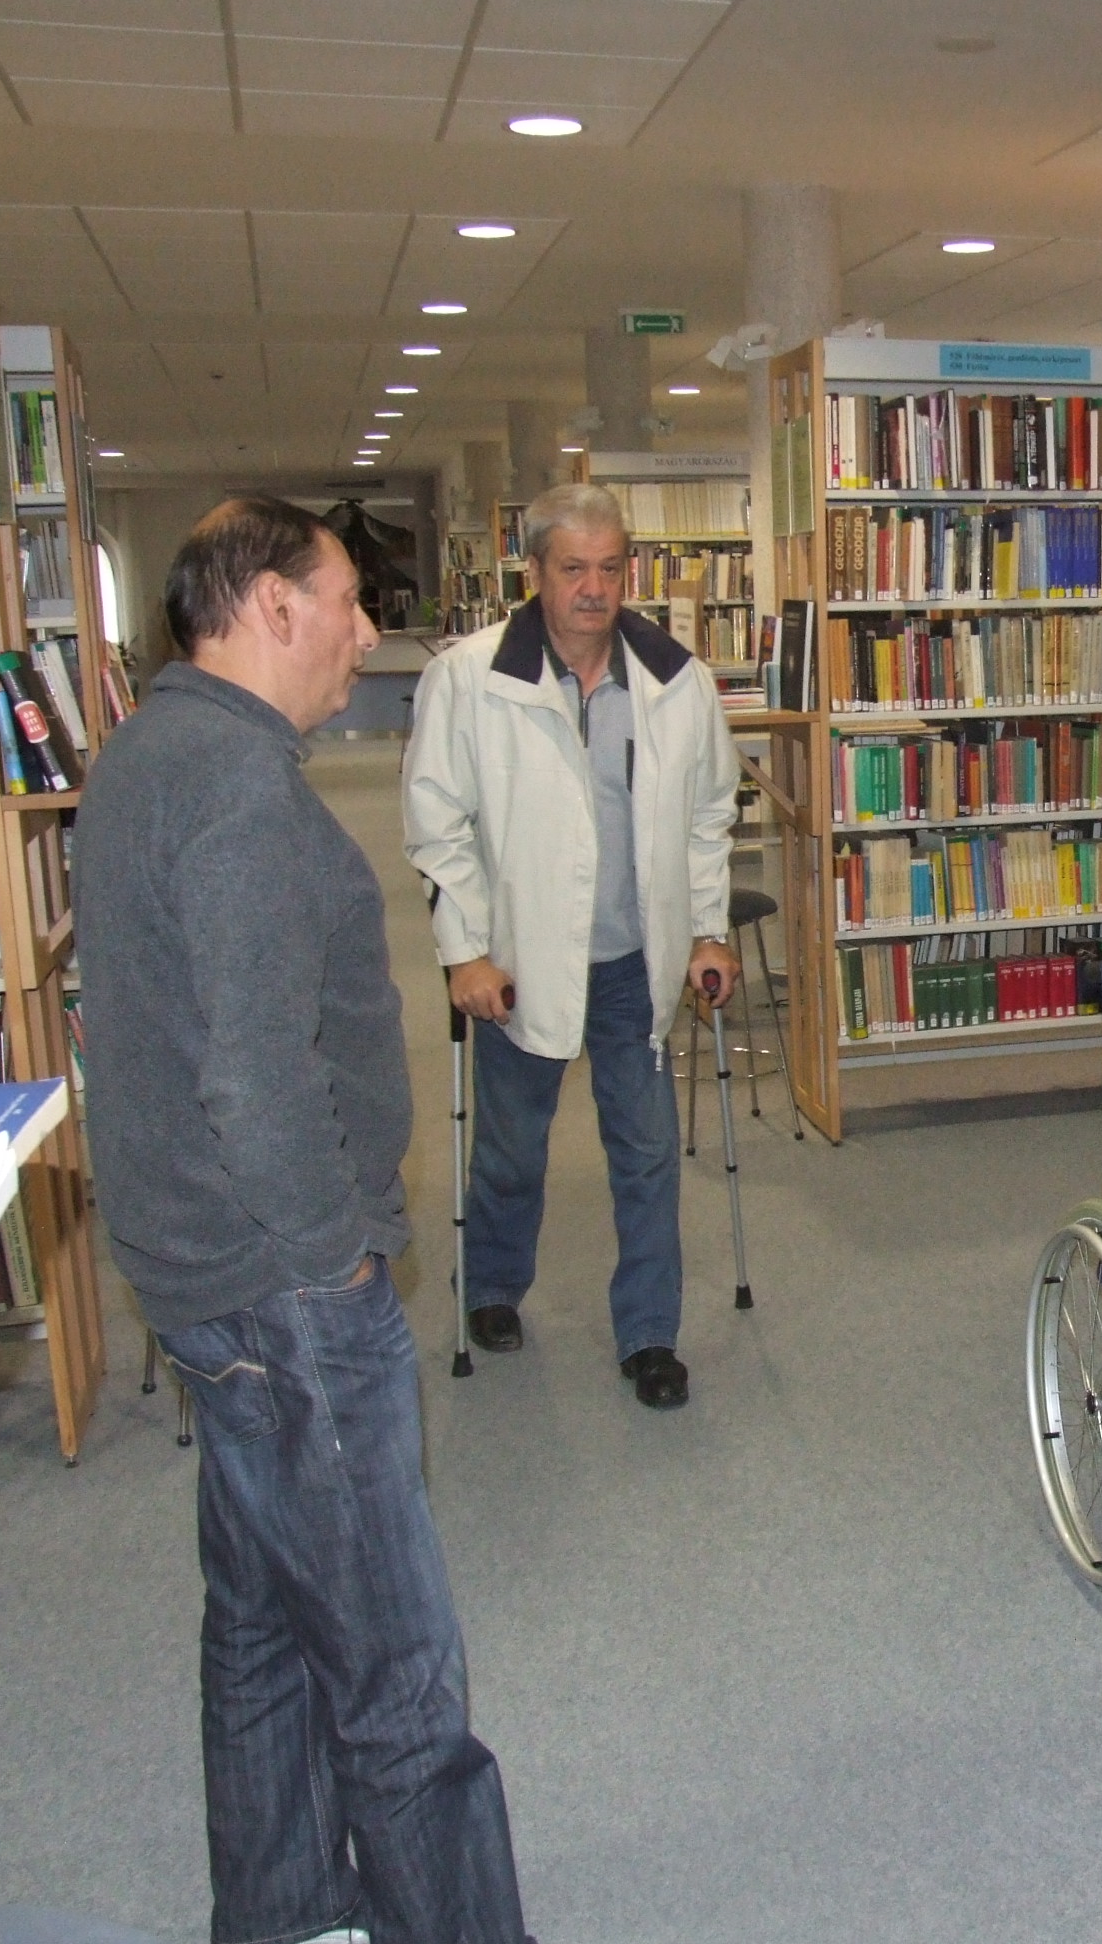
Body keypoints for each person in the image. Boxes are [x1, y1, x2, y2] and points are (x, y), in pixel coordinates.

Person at [78, 497, 526, 1944]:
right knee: (398, 1676)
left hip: (202, 1281)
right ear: (271, 604)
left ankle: (280, 1916)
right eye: (345, 602)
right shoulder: (237, 789)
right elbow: (254, 1075)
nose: (364, 631)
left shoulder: (152, 750)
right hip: (284, 1294)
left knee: (264, 1633)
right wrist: (336, 1259)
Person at [404, 482, 740, 1408]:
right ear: (535, 572)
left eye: (610, 568)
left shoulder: (676, 679)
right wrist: (464, 951)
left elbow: (708, 813)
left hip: (636, 958)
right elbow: (437, 823)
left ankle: (650, 1334)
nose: (594, 588)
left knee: (647, 1154)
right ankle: (493, 1284)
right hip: (519, 961)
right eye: (572, 568)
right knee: (513, 1149)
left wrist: (706, 929)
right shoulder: (469, 678)